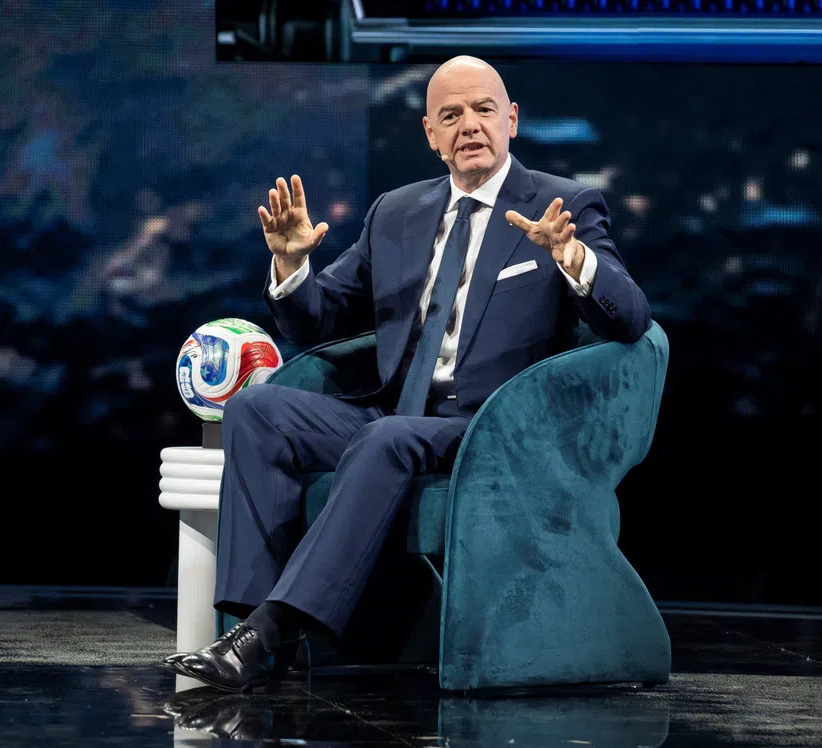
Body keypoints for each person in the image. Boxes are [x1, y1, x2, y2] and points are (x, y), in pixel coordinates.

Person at [160, 55, 651, 692]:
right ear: (430, 134)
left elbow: (630, 319)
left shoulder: (562, 204)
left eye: (483, 110)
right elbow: (318, 320)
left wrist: (571, 256)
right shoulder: (396, 212)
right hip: (394, 413)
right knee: (258, 409)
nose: (469, 125)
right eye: (451, 115)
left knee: (385, 438)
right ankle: (252, 627)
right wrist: (291, 269)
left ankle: (273, 628)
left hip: (492, 426)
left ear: (511, 119)